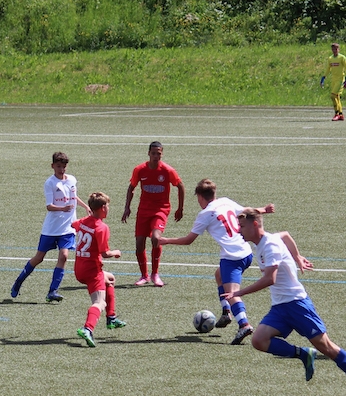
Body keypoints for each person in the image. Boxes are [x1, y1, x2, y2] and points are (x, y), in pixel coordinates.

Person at [222, 209, 346, 396]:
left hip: (297, 304)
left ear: (255, 225)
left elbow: (270, 279)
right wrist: (297, 256)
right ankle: (304, 354)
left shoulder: (269, 246)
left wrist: (239, 292)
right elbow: (285, 234)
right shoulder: (265, 240)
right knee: (258, 340)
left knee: (326, 346)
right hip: (280, 307)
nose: (238, 230)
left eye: (242, 227)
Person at [159, 179, 274, 345]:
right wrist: (264, 210)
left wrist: (166, 240)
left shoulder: (205, 214)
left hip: (232, 258)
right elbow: (247, 212)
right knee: (219, 275)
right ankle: (226, 312)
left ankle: (244, 324)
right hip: (246, 253)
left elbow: (188, 240)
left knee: (232, 293)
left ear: (200, 197)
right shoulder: (225, 202)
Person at [11, 151, 90, 302]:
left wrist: (85, 206)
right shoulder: (50, 183)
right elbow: (49, 206)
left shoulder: (72, 180)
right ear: (52, 166)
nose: (61, 169)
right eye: (58, 166)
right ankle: (19, 281)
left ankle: (52, 291)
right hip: (52, 228)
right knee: (39, 258)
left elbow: (73, 196)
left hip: (68, 228)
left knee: (64, 256)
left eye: (64, 167)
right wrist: (62, 208)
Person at [122, 141, 185, 287]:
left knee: (156, 238)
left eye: (159, 153)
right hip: (143, 210)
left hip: (160, 210)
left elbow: (180, 186)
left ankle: (155, 273)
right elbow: (131, 187)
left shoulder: (167, 171)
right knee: (139, 244)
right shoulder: (140, 169)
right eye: (154, 153)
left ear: (162, 154)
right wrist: (127, 207)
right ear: (149, 153)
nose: (156, 156)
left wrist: (180, 208)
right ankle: (144, 276)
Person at [73, 192, 127, 347]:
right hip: (92, 270)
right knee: (99, 302)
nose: (108, 209)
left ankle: (111, 318)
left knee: (110, 279)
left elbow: (73, 226)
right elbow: (105, 253)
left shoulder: (83, 221)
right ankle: (87, 328)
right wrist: (116, 252)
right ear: (103, 208)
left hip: (79, 268)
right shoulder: (102, 227)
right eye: (107, 206)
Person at [322, 42, 346, 121]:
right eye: (333, 49)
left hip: (340, 79)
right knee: (336, 97)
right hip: (334, 80)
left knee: (333, 95)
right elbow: (328, 68)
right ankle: (341, 114)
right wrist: (324, 77)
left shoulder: (342, 58)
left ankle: (336, 113)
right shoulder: (330, 58)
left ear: (339, 49)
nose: (334, 50)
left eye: (336, 49)